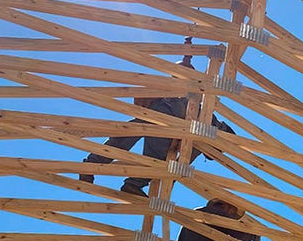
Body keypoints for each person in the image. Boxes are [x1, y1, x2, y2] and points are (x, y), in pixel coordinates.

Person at [80, 39, 234, 197]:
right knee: (128, 137)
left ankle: (131, 183)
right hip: (158, 116)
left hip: (171, 129)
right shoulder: (172, 90)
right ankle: (93, 166)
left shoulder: (199, 105)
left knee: (155, 157)